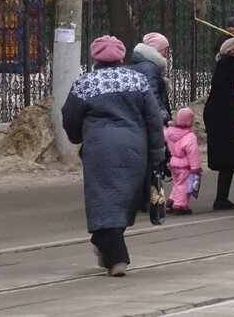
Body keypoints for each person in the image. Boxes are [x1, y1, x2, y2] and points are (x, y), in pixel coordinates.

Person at [61, 34, 165, 278]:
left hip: (99, 150)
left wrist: (79, 137)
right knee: (124, 200)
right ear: (121, 56)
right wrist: (156, 152)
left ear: (95, 56)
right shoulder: (137, 81)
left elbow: (70, 117)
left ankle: (116, 258)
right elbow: (153, 119)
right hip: (134, 148)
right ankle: (108, 249)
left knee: (103, 200)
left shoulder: (86, 83)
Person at [203, 35, 234, 210]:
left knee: (226, 160)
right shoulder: (233, 65)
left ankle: (221, 198)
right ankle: (220, 199)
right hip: (227, 116)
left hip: (218, 115)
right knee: (228, 158)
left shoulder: (222, 66)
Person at [164, 107, 202, 215]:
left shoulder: (171, 132)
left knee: (177, 183)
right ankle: (180, 205)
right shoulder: (190, 137)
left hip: (173, 163)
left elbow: (164, 134)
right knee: (184, 185)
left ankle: (172, 201)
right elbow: (193, 153)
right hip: (185, 166)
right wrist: (195, 168)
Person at [131, 31, 172, 124]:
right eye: (164, 50)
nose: (166, 55)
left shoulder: (145, 65)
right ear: (156, 50)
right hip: (152, 121)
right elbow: (151, 94)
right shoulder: (149, 68)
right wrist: (163, 115)